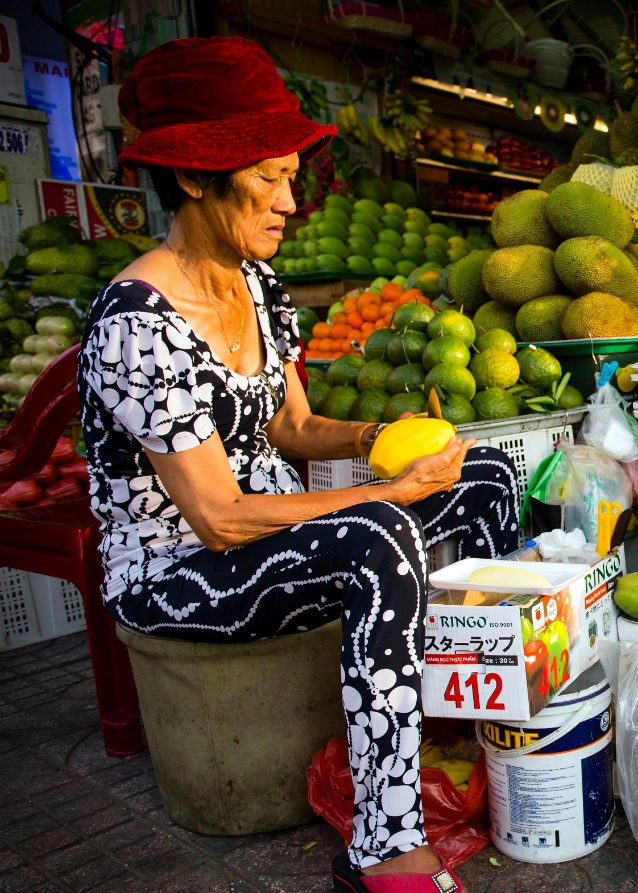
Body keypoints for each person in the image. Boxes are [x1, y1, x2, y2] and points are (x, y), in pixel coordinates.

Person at [79, 36, 512, 893]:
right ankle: (384, 840)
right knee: (380, 530)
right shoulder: (137, 320)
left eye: (290, 175)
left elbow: (294, 424)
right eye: (268, 177)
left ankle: (465, 734)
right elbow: (219, 517)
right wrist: (383, 491)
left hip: (269, 543)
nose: (289, 199)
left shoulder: (257, 285)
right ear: (196, 178)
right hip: (181, 572)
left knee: (486, 475)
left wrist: (381, 437)